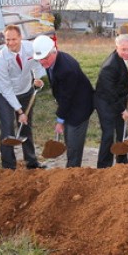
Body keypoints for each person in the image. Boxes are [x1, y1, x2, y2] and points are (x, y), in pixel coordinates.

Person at [33, 35, 95, 168]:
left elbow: (67, 98)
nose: (42, 62)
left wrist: (60, 120)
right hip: (70, 103)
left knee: (73, 144)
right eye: (39, 60)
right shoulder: (52, 61)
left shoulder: (67, 69)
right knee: (69, 138)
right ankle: (71, 168)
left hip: (80, 107)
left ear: (53, 51)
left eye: (45, 58)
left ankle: (72, 172)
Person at [0, 25, 46, 170]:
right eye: (7, 40)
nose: (10, 43)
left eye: (14, 39)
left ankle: (31, 162)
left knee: (25, 126)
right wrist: (20, 111)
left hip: (25, 90)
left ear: (20, 38)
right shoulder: (0, 60)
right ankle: (9, 167)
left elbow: (37, 62)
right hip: (4, 95)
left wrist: (37, 77)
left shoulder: (30, 48)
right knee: (8, 129)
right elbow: (6, 89)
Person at [95, 34, 128, 168]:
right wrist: (122, 110)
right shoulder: (109, 66)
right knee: (109, 134)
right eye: (123, 49)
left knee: (122, 130)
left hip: (118, 97)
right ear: (116, 48)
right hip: (105, 102)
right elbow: (110, 93)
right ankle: (103, 167)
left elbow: (126, 72)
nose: (127, 52)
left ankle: (122, 163)